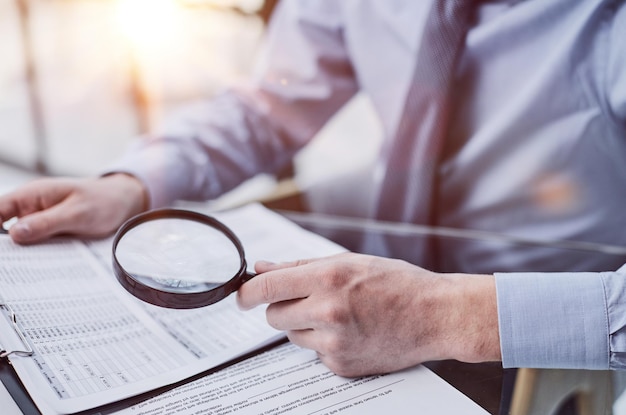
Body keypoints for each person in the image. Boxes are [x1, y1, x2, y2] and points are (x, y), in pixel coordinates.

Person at [1, 0, 625, 378]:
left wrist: (443, 315)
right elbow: (270, 107)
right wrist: (130, 184)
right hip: (359, 315)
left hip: (545, 341)